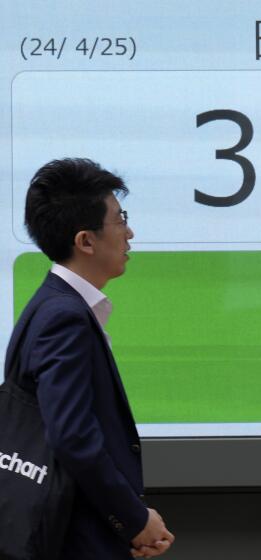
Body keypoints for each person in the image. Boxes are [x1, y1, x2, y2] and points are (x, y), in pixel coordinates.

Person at [6, 158, 174, 559]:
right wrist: (133, 520)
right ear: (86, 240)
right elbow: (72, 436)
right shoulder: (64, 317)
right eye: (120, 219)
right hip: (73, 540)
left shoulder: (49, 305)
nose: (130, 233)